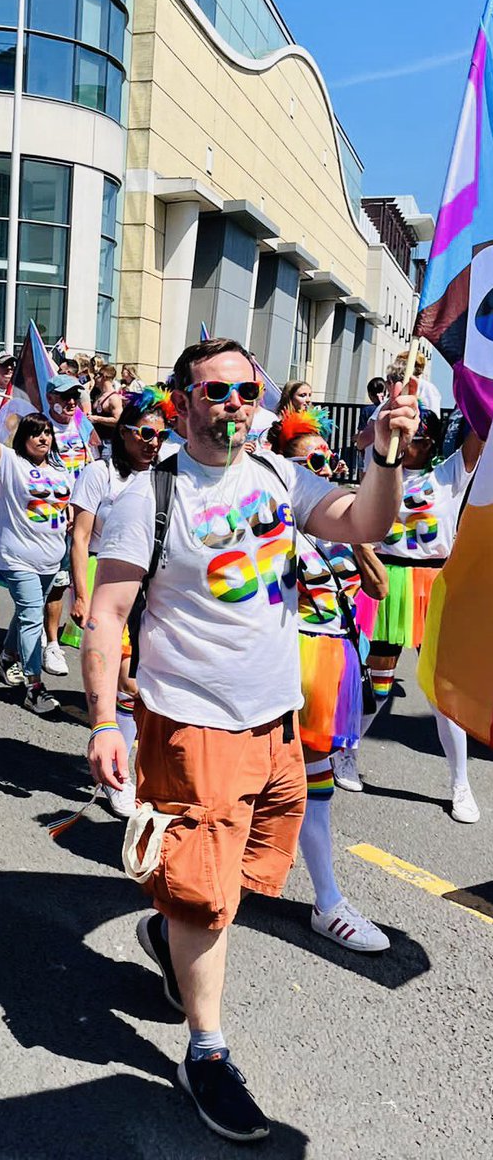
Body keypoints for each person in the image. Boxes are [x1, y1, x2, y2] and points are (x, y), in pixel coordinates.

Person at [82, 337, 417, 1142]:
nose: (233, 405)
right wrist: (101, 719)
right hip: (192, 723)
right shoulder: (146, 497)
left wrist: (384, 452)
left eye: (244, 391)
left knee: (248, 876)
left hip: (275, 724)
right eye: (215, 392)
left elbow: (365, 517)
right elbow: (104, 618)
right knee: (206, 894)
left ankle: (165, 930)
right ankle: (206, 1050)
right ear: (183, 401)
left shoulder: (277, 475)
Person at [270, 407, 391, 951]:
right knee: (269, 777)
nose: (322, 466)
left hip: (335, 663)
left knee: (314, 788)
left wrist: (356, 536)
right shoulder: (270, 526)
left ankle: (326, 899)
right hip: (290, 657)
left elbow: (381, 589)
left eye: (325, 457)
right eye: (308, 460)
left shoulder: (336, 522)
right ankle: (320, 897)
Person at [358, 407, 483, 821]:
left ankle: (460, 784)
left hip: (433, 584)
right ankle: (346, 754)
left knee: (442, 689)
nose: (401, 440)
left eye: (409, 436)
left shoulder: (449, 474)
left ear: (427, 443)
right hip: (387, 581)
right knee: (378, 682)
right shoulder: (381, 469)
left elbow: (481, 431)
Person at [70, 386, 176, 814]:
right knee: (128, 682)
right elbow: (79, 537)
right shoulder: (100, 473)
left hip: (147, 583)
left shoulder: (164, 475)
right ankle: (122, 775)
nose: (154, 443)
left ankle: (126, 760)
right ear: (124, 432)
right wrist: (81, 593)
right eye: (146, 434)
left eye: (161, 436)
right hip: (105, 576)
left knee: (141, 685)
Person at [0, 387, 72, 714]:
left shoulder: (59, 471)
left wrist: (68, 514)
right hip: (18, 557)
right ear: (24, 438)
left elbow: (64, 505)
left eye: (47, 433)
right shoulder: (11, 462)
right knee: (32, 617)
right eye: (35, 433)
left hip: (51, 558)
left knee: (27, 612)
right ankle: (34, 687)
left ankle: (7, 658)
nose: (43, 438)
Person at [42, 372, 99, 677]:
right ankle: (44, 639)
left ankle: (49, 639)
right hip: (50, 517)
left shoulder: (82, 425)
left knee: (62, 579)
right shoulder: (41, 428)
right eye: (64, 397)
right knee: (46, 581)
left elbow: (94, 462)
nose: (70, 402)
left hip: (80, 515)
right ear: (50, 398)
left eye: (74, 397)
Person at [88, 365, 123, 453]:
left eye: (97, 375)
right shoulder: (99, 395)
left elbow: (118, 420)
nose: (95, 378)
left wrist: (97, 419)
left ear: (103, 376)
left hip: (107, 443)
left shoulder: (114, 398)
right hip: (96, 441)